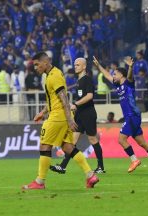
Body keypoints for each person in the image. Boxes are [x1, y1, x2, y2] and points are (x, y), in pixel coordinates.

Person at [22, 52, 99, 190]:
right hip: (61, 115)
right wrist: (42, 112)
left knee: (45, 146)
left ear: (45, 62)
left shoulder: (54, 76)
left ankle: (40, 182)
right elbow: (54, 98)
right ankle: (90, 175)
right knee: (68, 147)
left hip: (58, 117)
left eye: (37, 64)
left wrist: (69, 119)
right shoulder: (52, 74)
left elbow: (63, 97)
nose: (36, 68)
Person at [93, 55, 148, 173]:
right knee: (141, 142)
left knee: (121, 139)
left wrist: (131, 67)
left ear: (121, 75)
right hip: (132, 117)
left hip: (132, 116)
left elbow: (130, 77)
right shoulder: (118, 86)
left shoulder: (128, 84)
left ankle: (134, 160)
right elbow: (107, 75)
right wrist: (99, 66)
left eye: (115, 74)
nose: (113, 75)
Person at [50, 58, 106, 174]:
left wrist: (75, 104)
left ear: (84, 66)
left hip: (88, 114)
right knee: (72, 140)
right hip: (79, 114)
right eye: (75, 65)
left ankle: (100, 167)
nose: (75, 66)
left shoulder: (87, 80)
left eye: (78, 65)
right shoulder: (78, 81)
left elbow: (90, 96)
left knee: (92, 139)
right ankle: (63, 166)